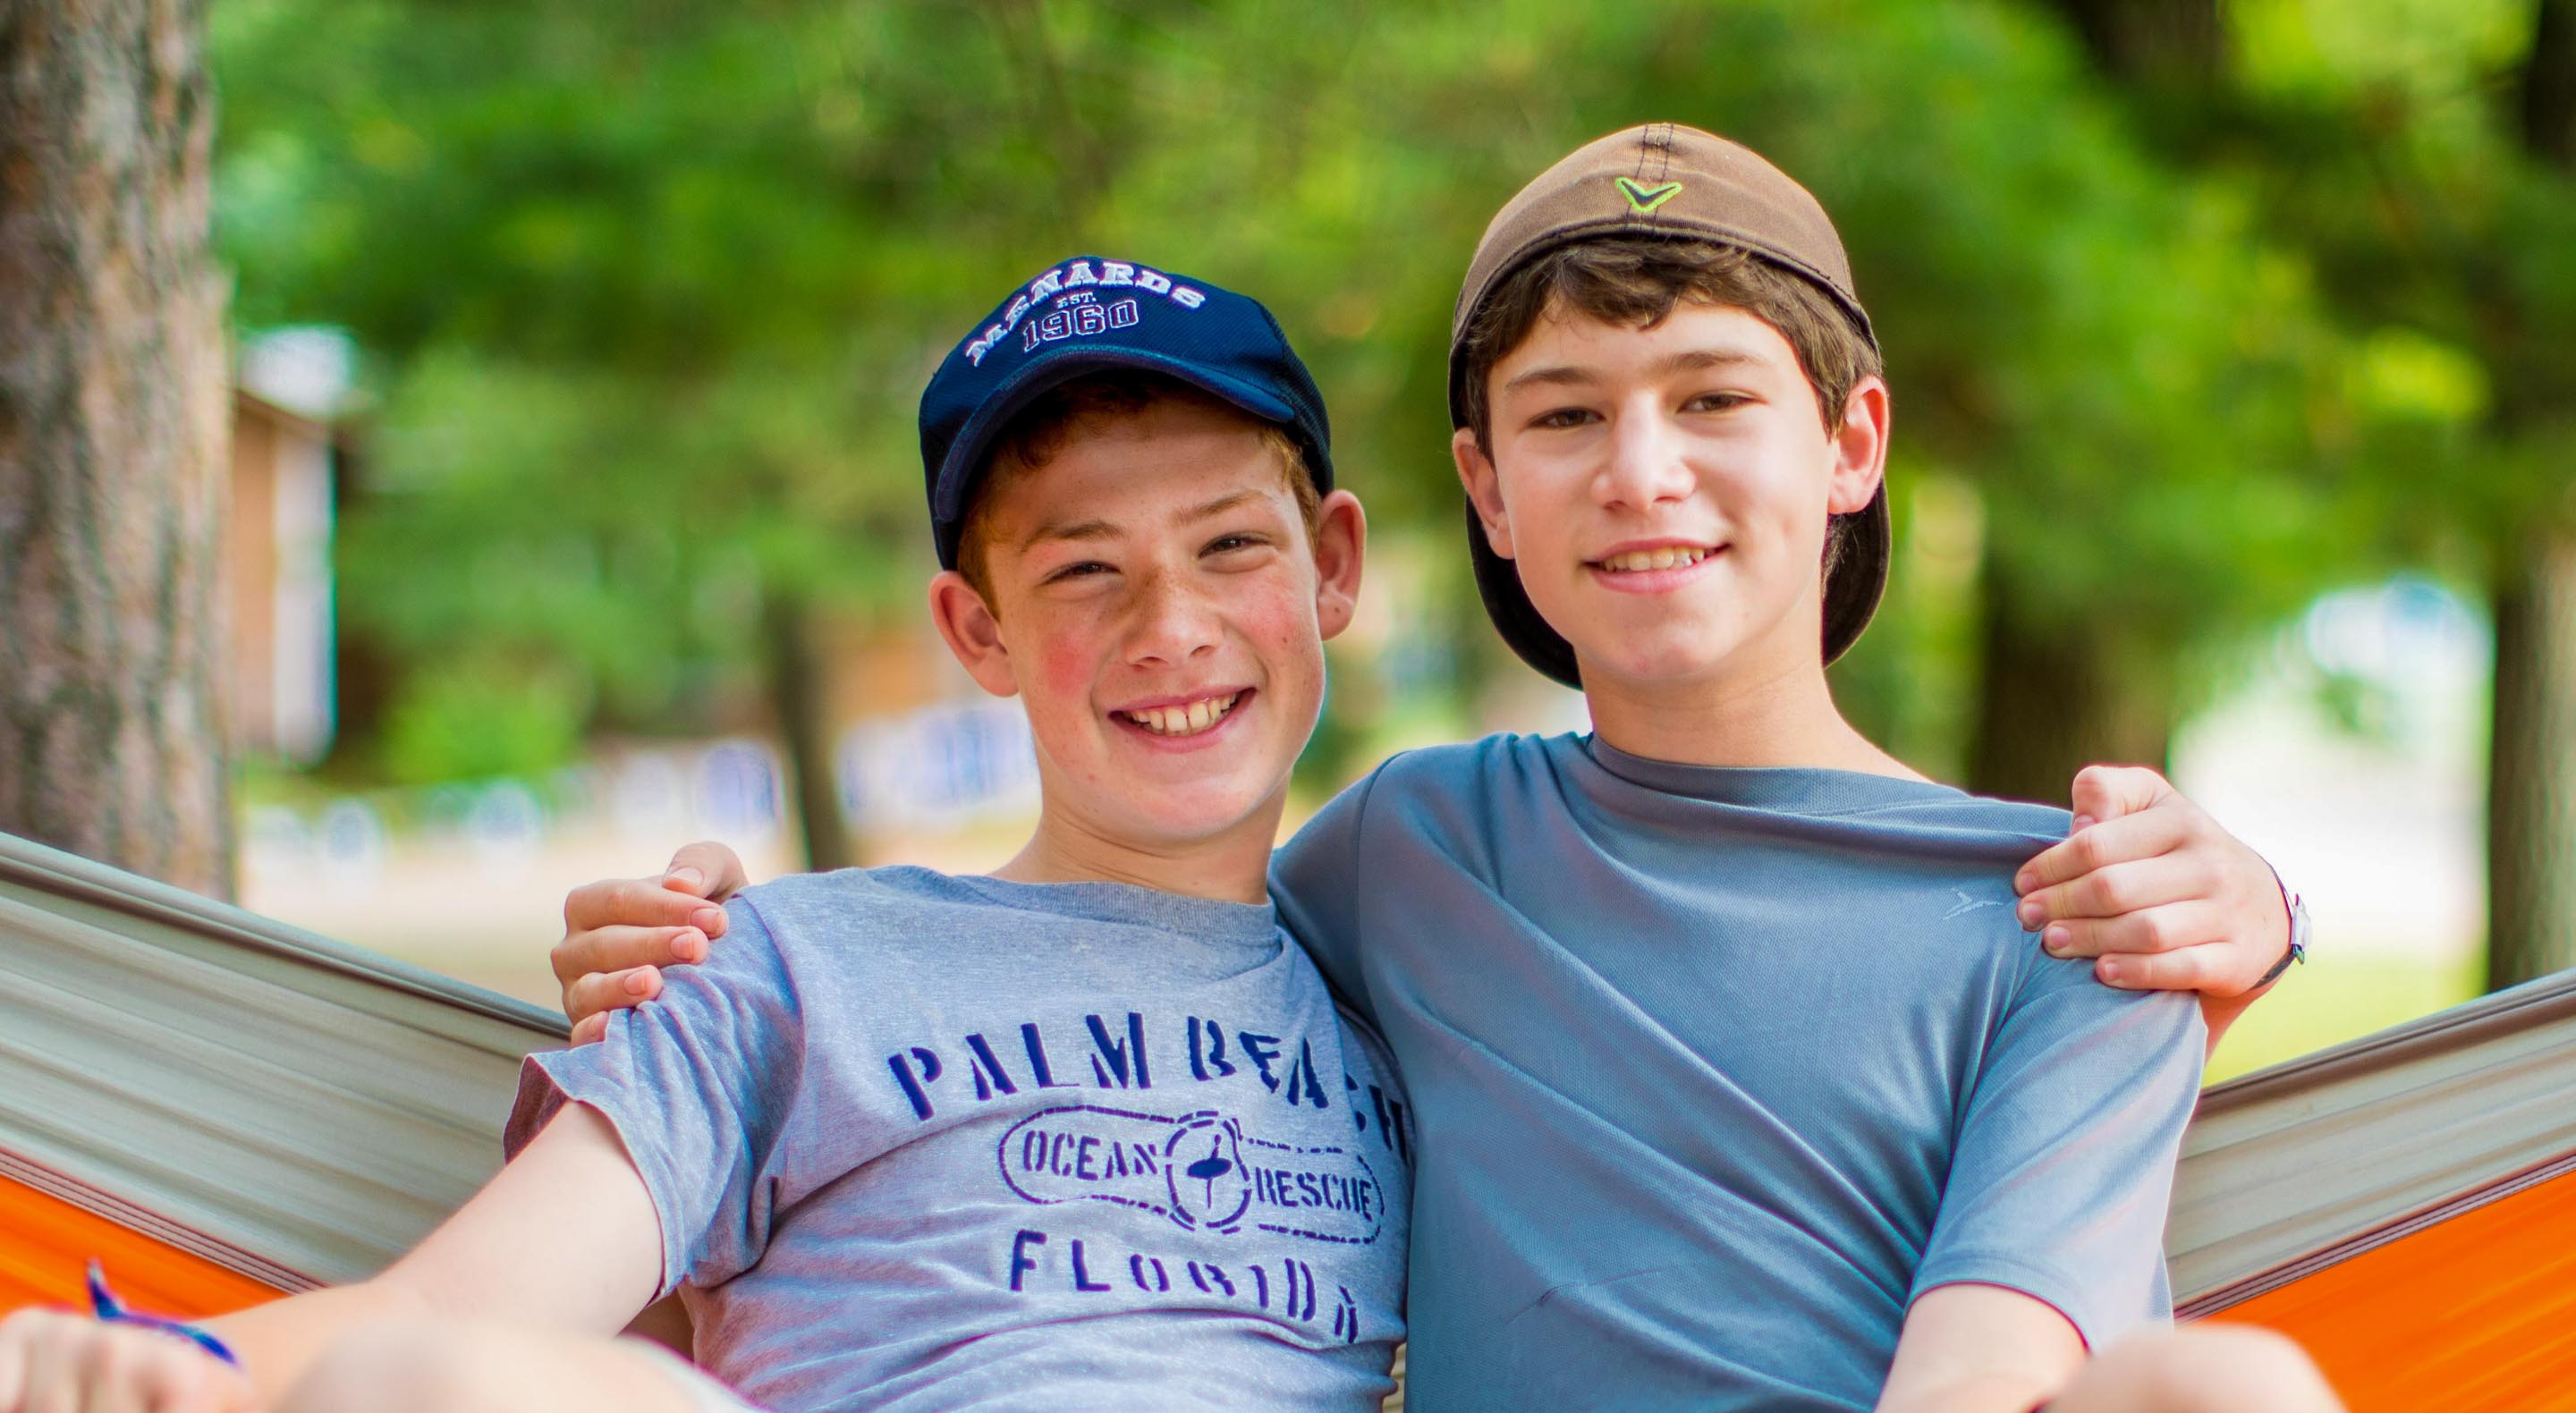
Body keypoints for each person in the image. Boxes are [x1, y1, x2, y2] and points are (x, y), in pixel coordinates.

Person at [555, 127, 2334, 1412]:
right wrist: (726, 957)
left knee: (2226, 1389)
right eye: (1568, 415)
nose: (1641, 470)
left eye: (1713, 397)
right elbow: (1083, 943)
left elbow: (1987, 1374)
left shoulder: (2080, 914)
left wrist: (2266, 903)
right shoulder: (1411, 854)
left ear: (1852, 442)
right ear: (1487, 490)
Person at [0, 262, 1413, 1412]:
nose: (1172, 628)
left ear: (1331, 564)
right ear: (976, 631)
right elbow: (448, 1318)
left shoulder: (1417, 1006)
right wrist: (173, 1373)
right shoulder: (785, 969)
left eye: (1231, 545)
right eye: (1086, 570)